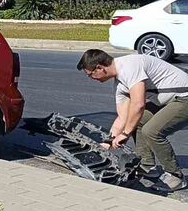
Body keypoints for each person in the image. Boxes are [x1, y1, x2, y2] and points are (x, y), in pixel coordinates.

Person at [78, 49, 188, 192]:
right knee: (137, 120)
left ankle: (176, 177)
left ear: (99, 67)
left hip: (184, 97)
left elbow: (138, 104)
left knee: (152, 131)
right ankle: (147, 166)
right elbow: (123, 117)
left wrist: (125, 134)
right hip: (169, 100)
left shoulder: (129, 66)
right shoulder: (120, 85)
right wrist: (108, 141)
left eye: (90, 74)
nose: (92, 78)